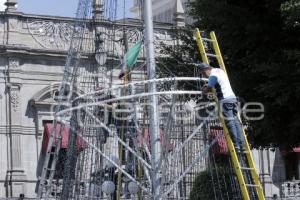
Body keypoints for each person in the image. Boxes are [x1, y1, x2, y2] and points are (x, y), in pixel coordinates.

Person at [197, 62, 245, 152]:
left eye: (203, 73)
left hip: (225, 100)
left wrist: (204, 90)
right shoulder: (219, 70)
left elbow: (209, 87)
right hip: (233, 99)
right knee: (236, 122)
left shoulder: (213, 76)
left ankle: (236, 145)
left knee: (230, 122)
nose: (204, 75)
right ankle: (242, 144)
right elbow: (218, 83)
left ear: (205, 70)